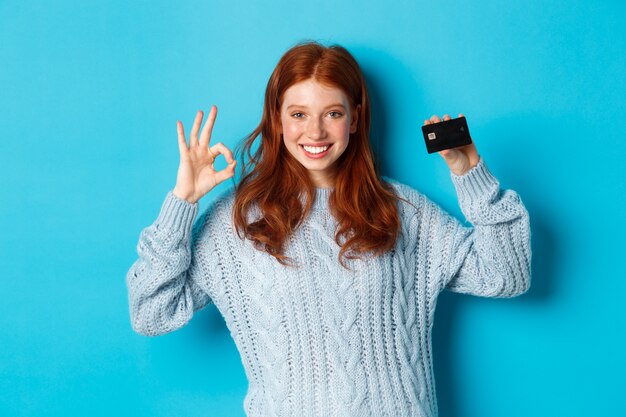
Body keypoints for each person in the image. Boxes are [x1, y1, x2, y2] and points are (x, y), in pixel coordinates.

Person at [125, 40, 532, 417]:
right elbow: (151, 313)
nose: (315, 132)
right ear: (277, 120)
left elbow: (507, 275)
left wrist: (469, 173)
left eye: (332, 114)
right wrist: (182, 202)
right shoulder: (239, 222)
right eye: (298, 114)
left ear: (355, 119)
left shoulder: (404, 212)